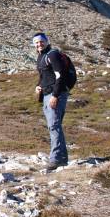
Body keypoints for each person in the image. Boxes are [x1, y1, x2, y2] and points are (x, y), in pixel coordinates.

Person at [33, 32, 70, 170]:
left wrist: (55, 95)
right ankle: (61, 158)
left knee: (54, 126)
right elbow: (44, 75)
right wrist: (38, 86)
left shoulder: (52, 55)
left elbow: (60, 76)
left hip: (56, 94)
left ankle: (56, 159)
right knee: (54, 126)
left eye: (41, 41)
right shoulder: (41, 56)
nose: (39, 44)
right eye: (36, 42)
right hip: (47, 93)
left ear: (47, 41)